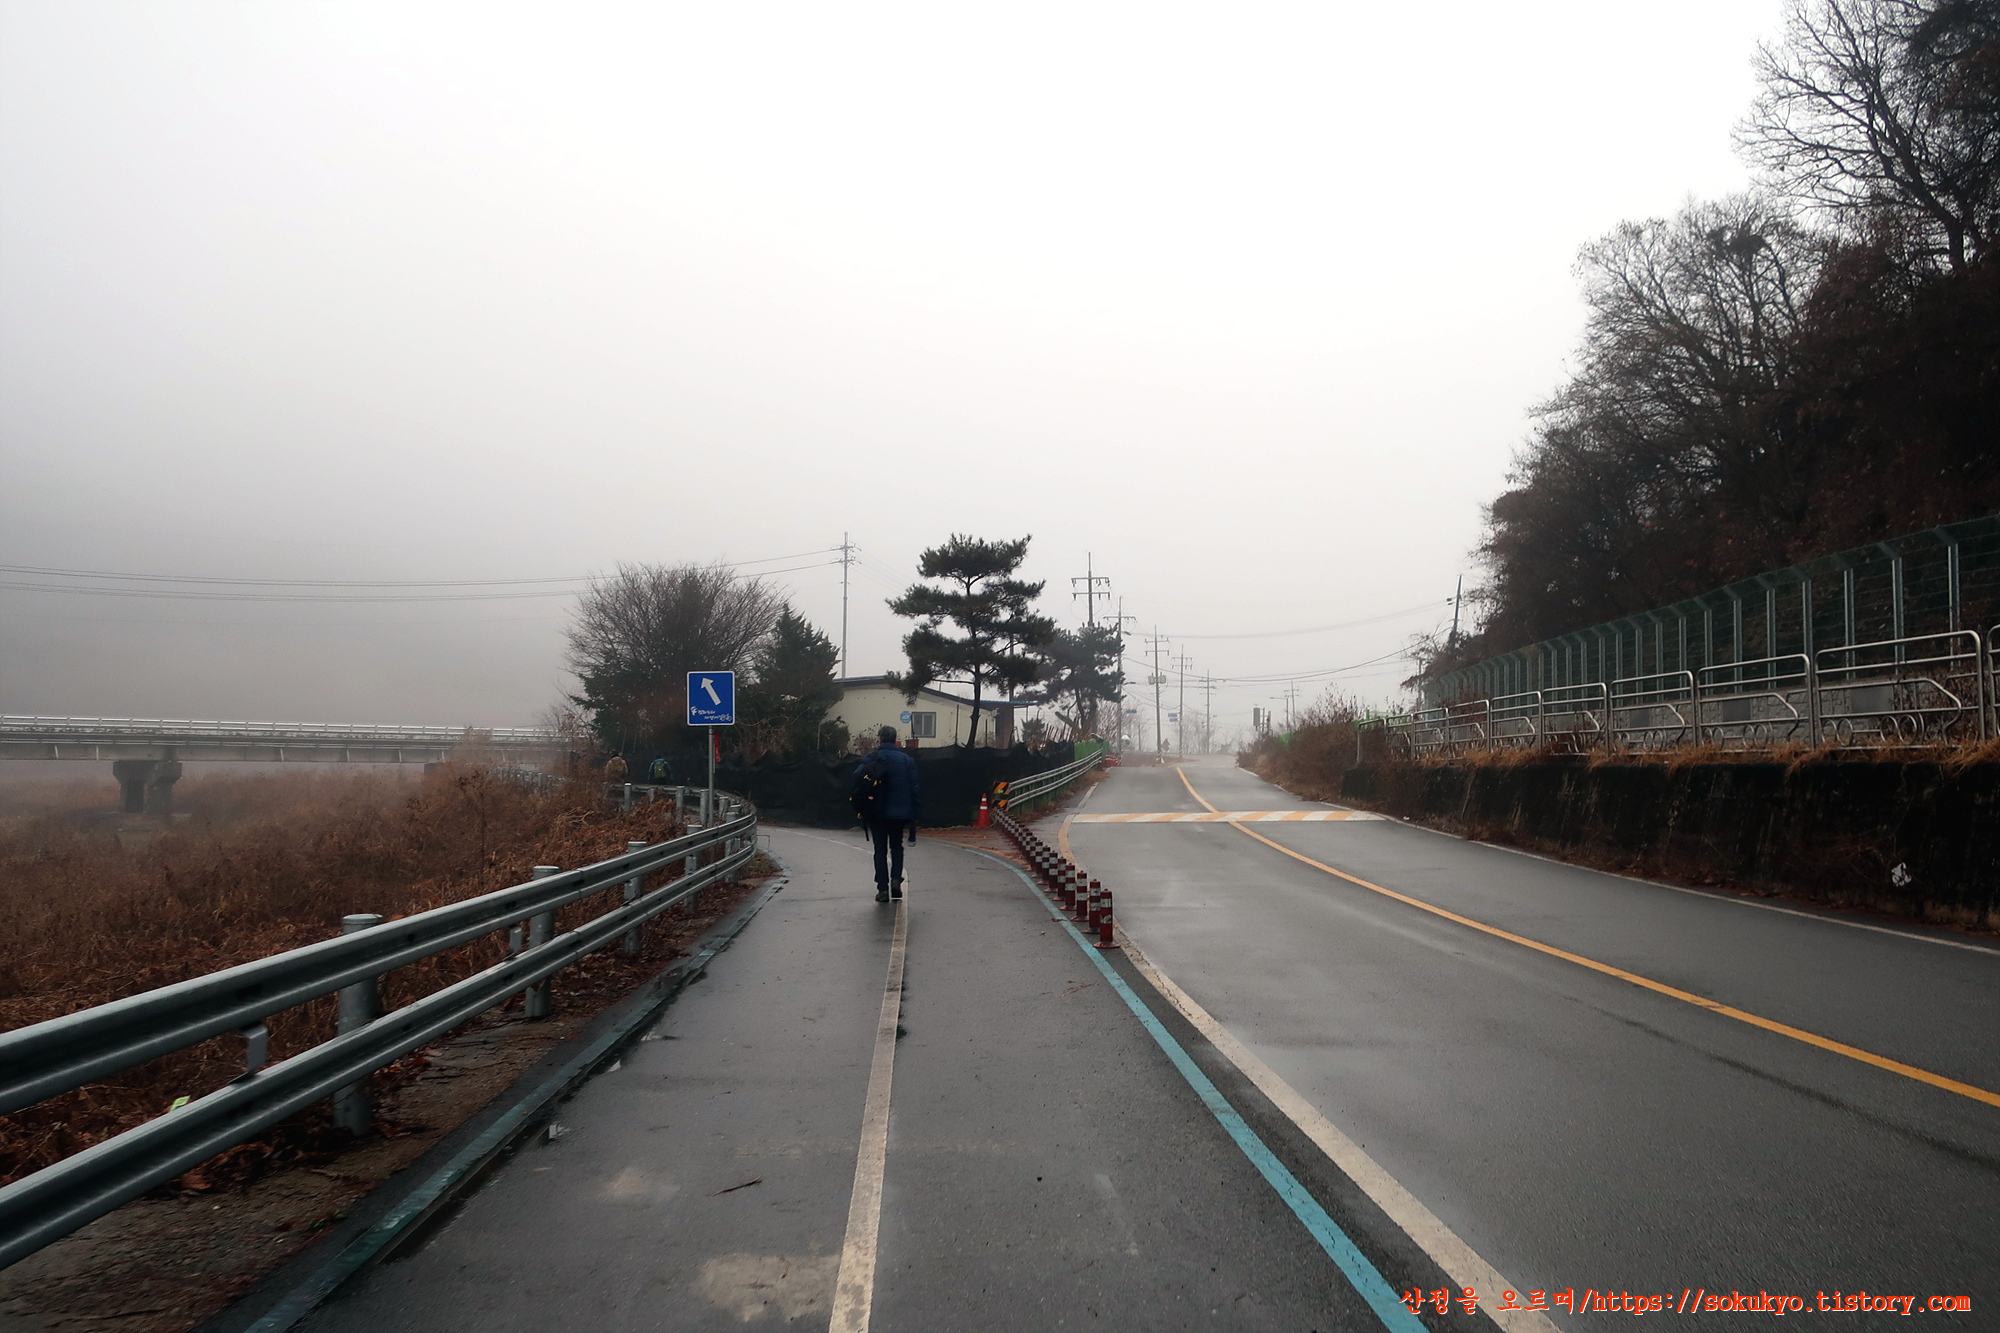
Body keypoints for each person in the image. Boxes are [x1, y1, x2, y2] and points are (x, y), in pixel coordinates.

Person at [854, 724, 919, 901]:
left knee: (880, 850)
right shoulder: (906, 760)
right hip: (899, 813)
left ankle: (882, 889)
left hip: (877, 811)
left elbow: (856, 777)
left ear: (880, 739)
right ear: (895, 739)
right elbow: (914, 788)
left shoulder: (872, 758)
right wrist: (914, 812)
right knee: (896, 846)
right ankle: (896, 879)